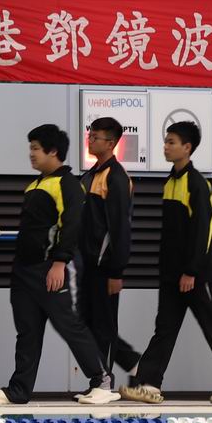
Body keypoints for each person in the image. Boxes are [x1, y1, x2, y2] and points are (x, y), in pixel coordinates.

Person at [0, 124, 118, 407]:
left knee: (69, 326)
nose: (31, 154)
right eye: (30, 148)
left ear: (53, 151)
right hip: (24, 272)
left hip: (51, 270)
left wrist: (59, 263)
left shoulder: (68, 185)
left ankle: (101, 381)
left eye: (35, 148)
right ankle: (19, 389)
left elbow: (72, 226)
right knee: (27, 332)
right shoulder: (35, 185)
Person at [121, 122, 212, 404]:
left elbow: (204, 231)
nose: (166, 147)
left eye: (171, 142)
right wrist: (169, 271)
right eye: (166, 141)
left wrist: (191, 270)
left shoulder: (197, 184)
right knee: (164, 329)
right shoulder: (170, 182)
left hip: (196, 275)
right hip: (171, 275)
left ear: (187, 148)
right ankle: (150, 385)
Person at [78, 116, 139, 385]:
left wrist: (116, 271)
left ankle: (104, 383)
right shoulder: (88, 176)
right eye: (90, 136)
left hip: (105, 267)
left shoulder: (116, 178)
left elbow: (120, 229)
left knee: (103, 326)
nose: (90, 141)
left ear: (111, 143)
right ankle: (130, 362)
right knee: (85, 323)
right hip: (85, 265)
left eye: (96, 137)